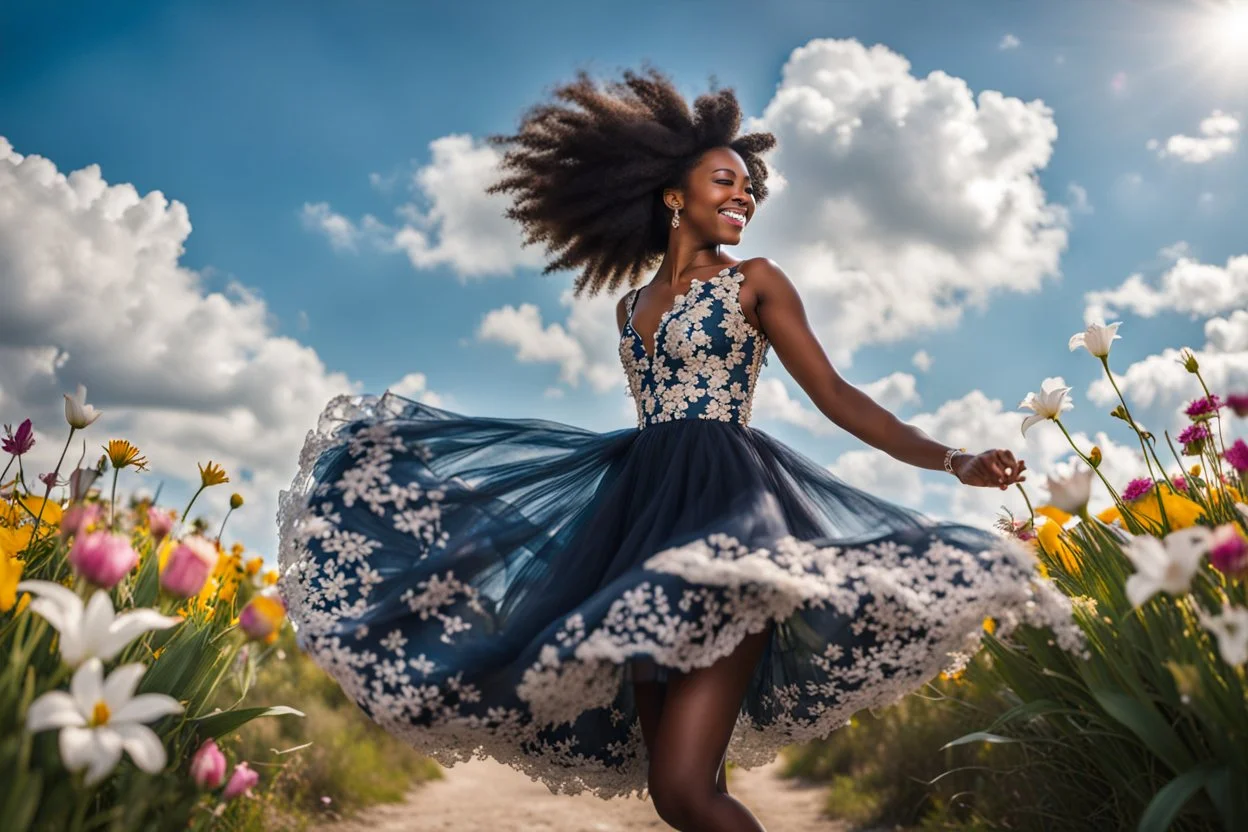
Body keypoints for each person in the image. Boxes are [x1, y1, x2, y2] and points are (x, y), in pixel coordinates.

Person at [277, 65, 1078, 832]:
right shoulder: (628, 309)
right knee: (678, 794)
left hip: (729, 517)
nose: (745, 195)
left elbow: (835, 395)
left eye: (749, 185)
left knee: (684, 787)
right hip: (639, 520)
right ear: (673, 194)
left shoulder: (757, 281)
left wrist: (952, 459)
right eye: (726, 181)